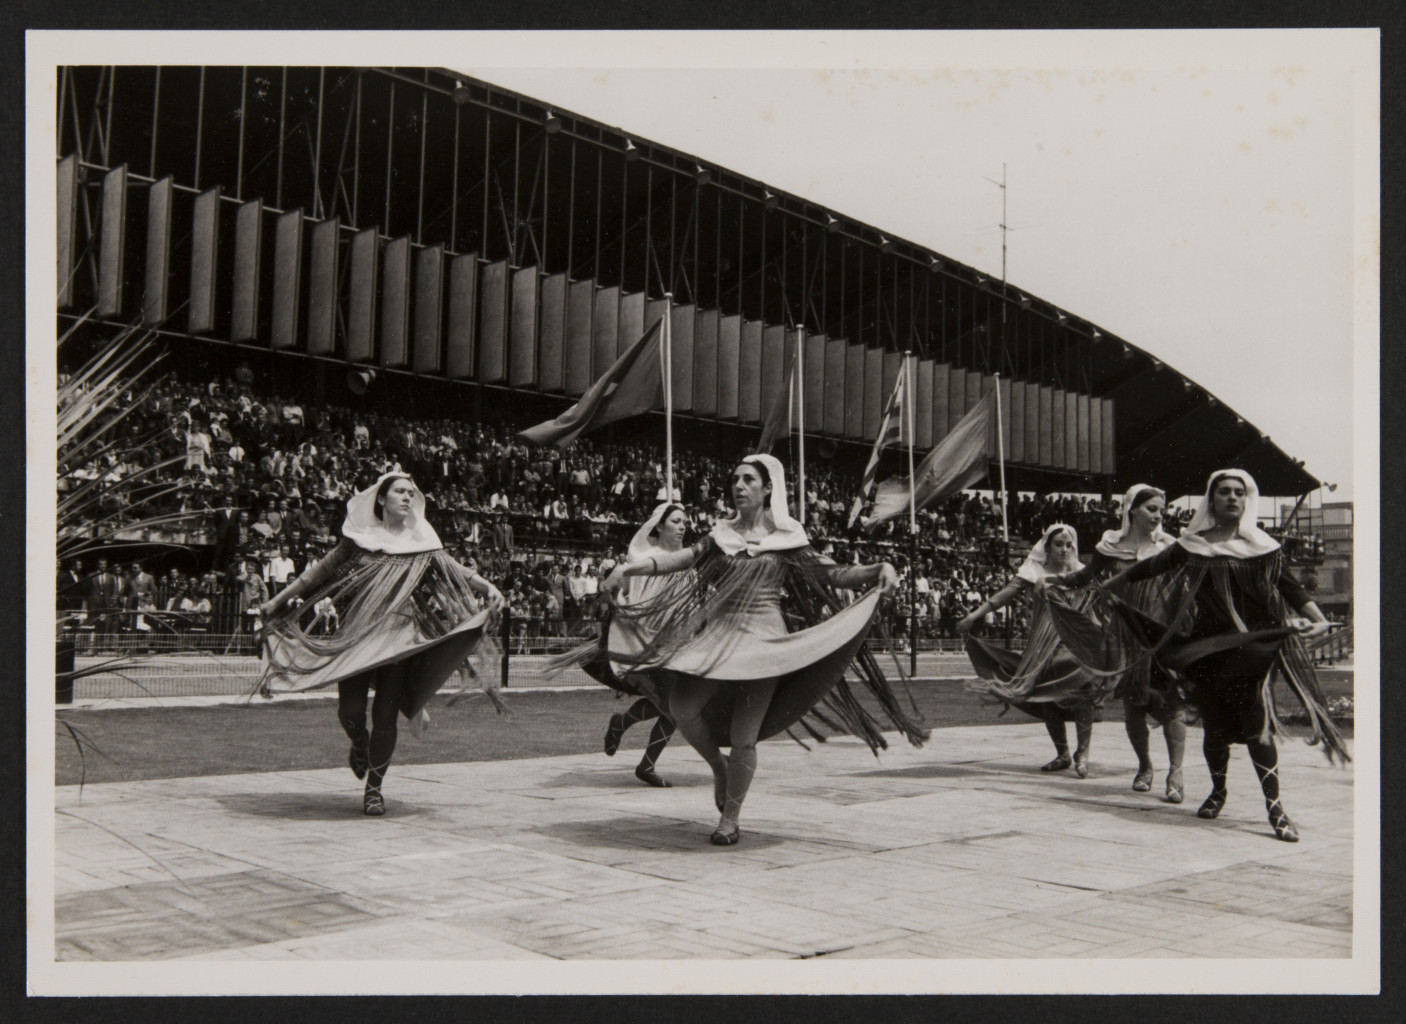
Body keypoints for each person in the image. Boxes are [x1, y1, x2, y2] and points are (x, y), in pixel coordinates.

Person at [596, 455, 925, 846]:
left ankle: (730, 819)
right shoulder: (721, 535)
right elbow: (680, 559)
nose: (738, 485)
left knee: (744, 736)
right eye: (735, 478)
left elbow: (832, 573)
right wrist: (627, 569)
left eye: (748, 479)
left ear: (768, 488)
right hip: (717, 639)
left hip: (764, 645)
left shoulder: (787, 537)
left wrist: (877, 568)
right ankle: (719, 768)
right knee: (682, 707)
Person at [1096, 470, 1347, 842]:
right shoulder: (1192, 546)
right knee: (1214, 727)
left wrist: (1319, 619)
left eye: (1239, 492)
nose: (1232, 497)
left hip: (1254, 648)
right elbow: (1147, 568)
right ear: (1210, 501)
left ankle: (1275, 807)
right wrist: (1109, 585)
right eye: (1224, 492)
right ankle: (1218, 791)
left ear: (1247, 500)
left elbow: (1291, 589)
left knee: (1256, 722)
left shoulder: (1264, 547)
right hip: (1209, 650)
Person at [259, 473, 505, 817]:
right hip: (357, 635)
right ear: (381, 498)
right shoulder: (359, 539)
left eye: (411, 493)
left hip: (398, 641)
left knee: (385, 717)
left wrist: (488, 586)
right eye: (399, 491)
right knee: (350, 712)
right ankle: (359, 742)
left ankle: (374, 789)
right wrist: (276, 601)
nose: (407, 497)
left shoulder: (423, 543)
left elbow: (457, 571)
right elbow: (316, 573)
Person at [1043, 485, 1188, 801]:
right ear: (1132, 510)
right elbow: (1085, 578)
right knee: (1134, 707)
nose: (1158, 515)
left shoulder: (1171, 547)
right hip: (1126, 637)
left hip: (1161, 634)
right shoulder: (1110, 547)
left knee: (1173, 704)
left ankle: (1176, 772)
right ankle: (1145, 766)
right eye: (1151, 509)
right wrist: (1056, 580)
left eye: (1162, 510)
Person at [958, 524, 1105, 779]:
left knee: (1083, 690)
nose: (1064, 549)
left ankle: (1083, 753)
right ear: (1047, 546)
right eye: (1058, 544)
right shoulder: (1034, 571)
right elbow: (1004, 595)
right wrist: (974, 616)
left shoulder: (1081, 574)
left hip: (1075, 641)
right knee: (1045, 695)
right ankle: (1063, 753)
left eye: (1068, 545)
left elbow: (1099, 602)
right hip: (1042, 644)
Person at [590, 504, 690, 787]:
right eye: (676, 521)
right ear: (659, 525)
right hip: (645, 642)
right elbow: (627, 595)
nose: (683, 526)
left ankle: (627, 732)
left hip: (674, 642)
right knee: (673, 706)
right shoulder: (645, 558)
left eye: (684, 522)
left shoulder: (685, 560)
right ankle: (641, 757)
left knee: (673, 706)